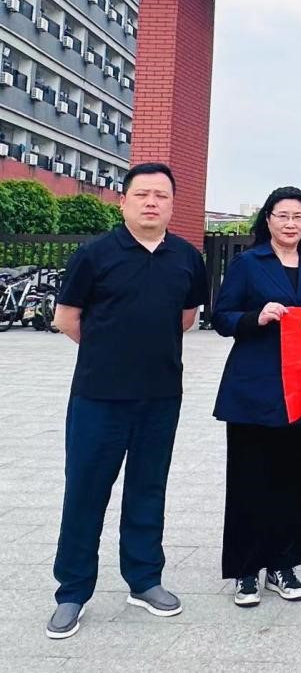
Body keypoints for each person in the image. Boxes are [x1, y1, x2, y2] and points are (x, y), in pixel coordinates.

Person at [46, 163, 207, 640]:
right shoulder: (95, 254)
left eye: (161, 195)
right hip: (99, 396)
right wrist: (109, 352)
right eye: (142, 194)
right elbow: (66, 318)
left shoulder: (186, 257)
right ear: (124, 202)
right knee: (85, 490)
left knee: (148, 488)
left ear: (172, 204)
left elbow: (186, 317)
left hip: (160, 396)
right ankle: (72, 591)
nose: (151, 202)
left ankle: (144, 579)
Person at [211, 187, 301, 608]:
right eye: (283, 216)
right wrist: (255, 317)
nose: (291, 224)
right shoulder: (248, 263)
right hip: (253, 386)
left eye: (299, 217)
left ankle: (283, 564)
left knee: (292, 480)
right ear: (268, 219)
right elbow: (221, 317)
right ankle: (245, 570)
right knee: (249, 480)